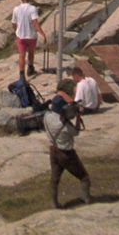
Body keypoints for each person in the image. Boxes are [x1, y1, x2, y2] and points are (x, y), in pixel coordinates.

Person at [44, 80, 90, 209]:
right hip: (66, 153)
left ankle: (54, 203)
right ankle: (85, 197)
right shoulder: (63, 124)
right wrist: (78, 118)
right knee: (83, 176)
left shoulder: (46, 117)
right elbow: (75, 133)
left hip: (53, 151)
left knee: (54, 178)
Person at [11, 0, 48, 77]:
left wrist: (17, 30)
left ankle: (22, 75)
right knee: (31, 52)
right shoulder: (32, 8)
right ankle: (30, 68)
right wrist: (42, 34)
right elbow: (35, 22)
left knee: (21, 55)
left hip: (20, 36)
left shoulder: (16, 9)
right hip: (31, 35)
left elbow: (13, 23)